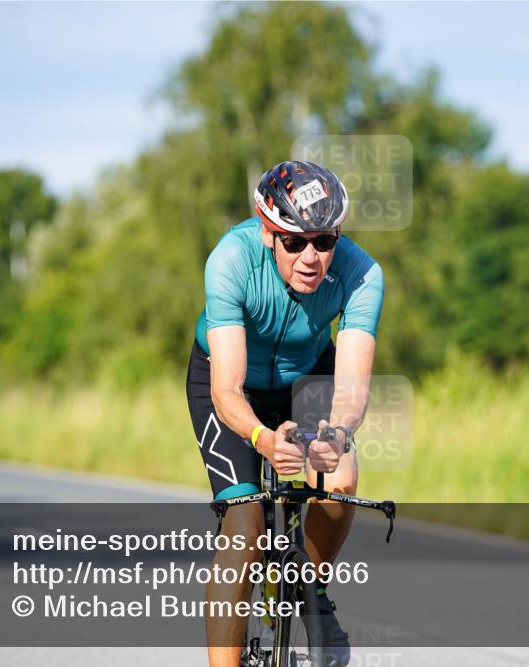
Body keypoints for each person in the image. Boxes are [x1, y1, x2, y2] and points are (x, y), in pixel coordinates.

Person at [187, 160, 384, 667]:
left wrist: (337, 434)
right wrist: (260, 437)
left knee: (339, 484)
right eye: (294, 242)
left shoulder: (363, 274)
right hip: (231, 385)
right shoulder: (230, 260)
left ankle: (310, 593)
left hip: (307, 376)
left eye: (324, 240)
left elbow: (353, 387)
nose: (311, 257)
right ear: (267, 232)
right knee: (245, 523)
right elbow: (227, 389)